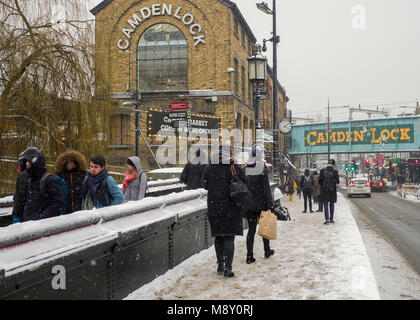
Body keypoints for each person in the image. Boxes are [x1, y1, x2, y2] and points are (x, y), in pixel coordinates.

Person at [202, 144, 246, 278]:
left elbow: (204, 185)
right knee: (229, 237)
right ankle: (228, 267)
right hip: (231, 207)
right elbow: (244, 182)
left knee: (219, 236)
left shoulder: (209, 168)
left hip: (214, 207)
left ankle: (220, 263)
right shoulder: (234, 167)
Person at [243, 146, 275, 264]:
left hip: (249, 205)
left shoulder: (244, 170)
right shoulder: (261, 169)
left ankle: (249, 256)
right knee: (265, 228)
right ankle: (267, 251)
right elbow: (266, 190)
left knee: (251, 230)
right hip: (262, 205)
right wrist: (270, 205)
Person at [22, 152, 66, 222]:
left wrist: (43, 216)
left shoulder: (49, 180)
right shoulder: (31, 180)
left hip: (43, 224)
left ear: (36, 166)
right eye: (26, 166)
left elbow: (58, 202)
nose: (27, 168)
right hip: (30, 222)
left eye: (29, 166)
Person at [12, 147, 41, 223]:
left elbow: (21, 197)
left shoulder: (24, 175)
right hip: (37, 215)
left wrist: (16, 215)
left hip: (25, 215)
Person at [55, 149, 88, 214]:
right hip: (65, 209)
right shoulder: (60, 175)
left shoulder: (83, 174)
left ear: (76, 162)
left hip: (80, 208)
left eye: (71, 162)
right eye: (67, 162)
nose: (69, 164)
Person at [319, 159, 340, 225]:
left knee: (325, 204)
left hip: (324, 191)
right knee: (331, 204)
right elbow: (338, 181)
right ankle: (331, 219)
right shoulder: (335, 171)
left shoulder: (322, 171)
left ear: (328, 164)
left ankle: (327, 219)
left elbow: (319, 182)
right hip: (332, 191)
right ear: (333, 165)